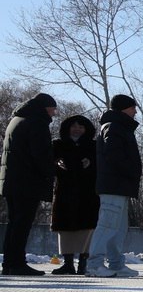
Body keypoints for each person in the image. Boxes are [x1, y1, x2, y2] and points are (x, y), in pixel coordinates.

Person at [85, 95, 143, 277]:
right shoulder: (113, 127)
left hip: (120, 185)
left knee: (118, 228)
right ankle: (94, 264)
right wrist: (131, 170)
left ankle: (116, 264)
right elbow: (114, 155)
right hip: (113, 184)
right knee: (108, 225)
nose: (135, 111)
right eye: (133, 107)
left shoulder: (120, 127)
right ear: (124, 109)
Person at [1, 93, 56, 276]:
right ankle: (17, 262)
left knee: (14, 222)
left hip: (12, 180)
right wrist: (51, 170)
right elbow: (39, 153)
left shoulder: (16, 120)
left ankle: (10, 262)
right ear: (45, 107)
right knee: (22, 222)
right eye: (52, 109)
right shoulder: (36, 122)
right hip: (26, 181)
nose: (53, 114)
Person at [50, 115, 99, 274]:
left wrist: (91, 163)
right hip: (65, 192)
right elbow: (49, 162)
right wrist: (57, 162)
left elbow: (101, 165)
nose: (77, 129)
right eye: (74, 126)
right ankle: (68, 263)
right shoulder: (58, 145)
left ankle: (83, 262)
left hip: (88, 194)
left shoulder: (93, 146)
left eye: (81, 127)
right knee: (65, 229)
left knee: (87, 229)